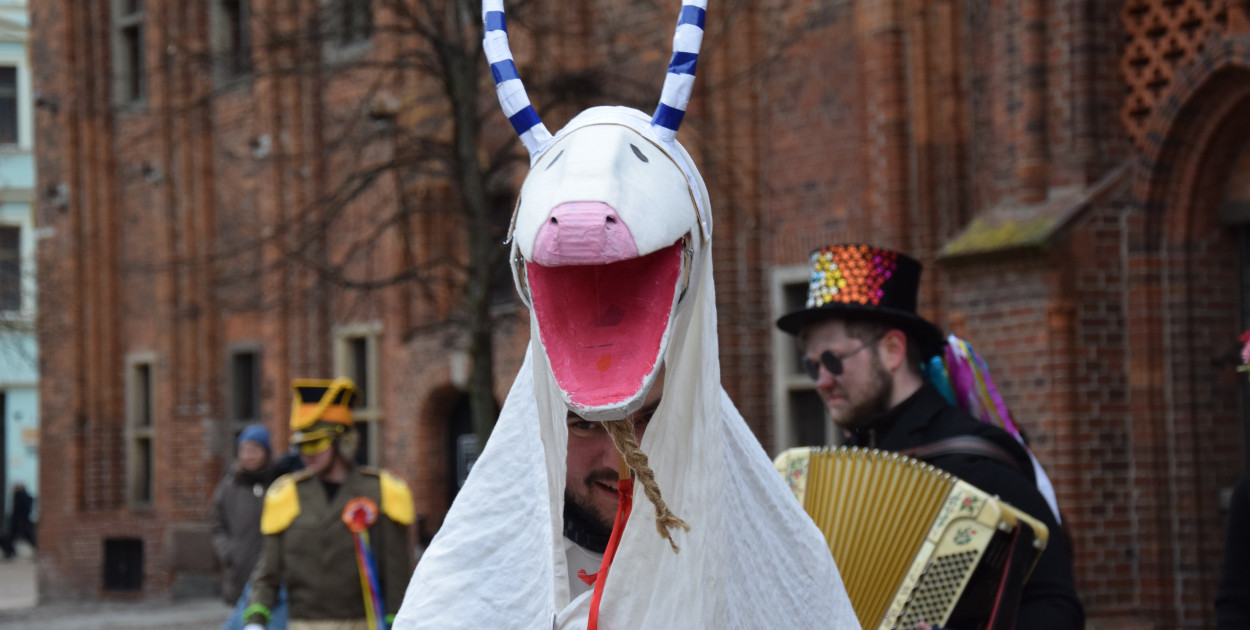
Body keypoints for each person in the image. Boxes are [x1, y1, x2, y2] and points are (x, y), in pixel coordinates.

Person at [395, 1, 859, 627]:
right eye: (585, 426)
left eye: (651, 419)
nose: (619, 459)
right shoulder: (466, 592)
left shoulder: (787, 572)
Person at [776, 243, 1085, 630]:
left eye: (834, 360)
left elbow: (1056, 608)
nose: (822, 381)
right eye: (811, 365)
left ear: (892, 350)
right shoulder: (829, 480)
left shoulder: (980, 462)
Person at [244, 378, 413, 630]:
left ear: (343, 442)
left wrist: (396, 621)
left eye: (316, 443)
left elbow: (396, 572)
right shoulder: (285, 494)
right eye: (302, 445)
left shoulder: (382, 492)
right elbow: (267, 573)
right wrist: (256, 620)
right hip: (304, 624)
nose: (307, 453)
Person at [212, 424, 288, 630]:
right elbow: (217, 526)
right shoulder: (229, 486)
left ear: (266, 452)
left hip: (273, 577)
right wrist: (229, 554)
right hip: (240, 572)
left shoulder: (279, 484)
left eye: (254, 450)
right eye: (244, 451)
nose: (248, 456)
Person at [0, 482, 34, 559]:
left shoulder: (23, 497)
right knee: (9, 537)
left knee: (28, 536)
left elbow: (25, 510)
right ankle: (9, 551)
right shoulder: (17, 496)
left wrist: (21, 521)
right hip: (16, 521)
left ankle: (10, 551)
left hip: (21, 521)